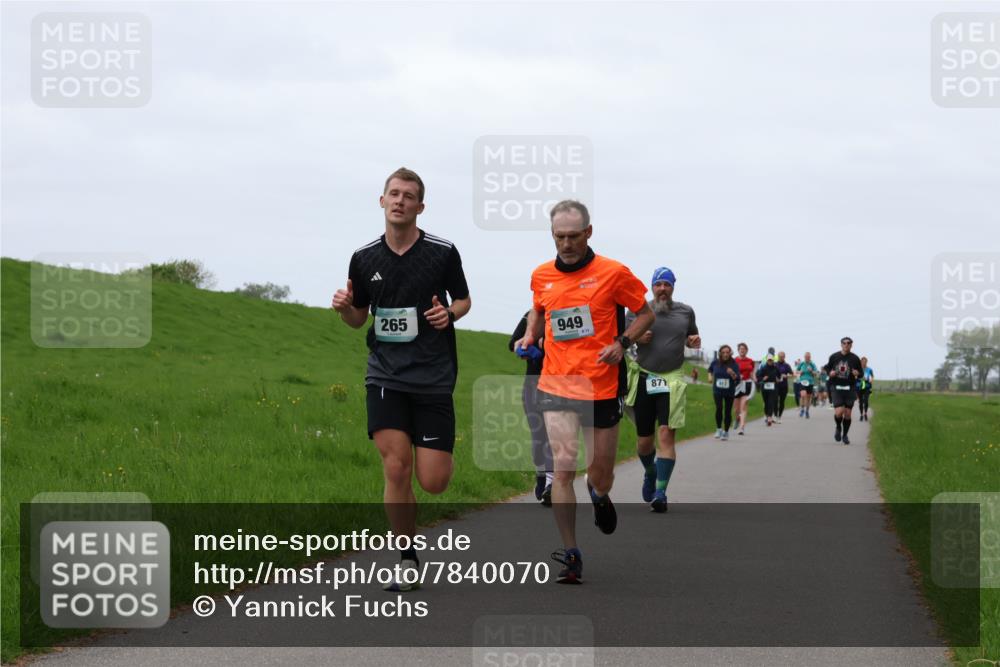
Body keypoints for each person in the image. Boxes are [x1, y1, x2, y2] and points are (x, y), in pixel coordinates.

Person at [332, 167, 471, 592]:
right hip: (385, 374)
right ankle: (405, 559)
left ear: (420, 206)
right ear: (381, 201)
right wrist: (345, 309)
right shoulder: (364, 257)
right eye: (393, 194)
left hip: (432, 376)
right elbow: (359, 318)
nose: (400, 201)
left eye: (409, 196)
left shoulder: (442, 252)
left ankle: (414, 529)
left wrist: (448, 313)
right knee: (396, 467)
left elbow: (464, 300)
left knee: (433, 481)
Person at [514, 200, 653, 584]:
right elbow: (539, 310)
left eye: (574, 236)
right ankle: (571, 553)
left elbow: (646, 314)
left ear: (589, 233)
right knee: (563, 468)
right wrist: (530, 334)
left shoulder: (613, 273)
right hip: (556, 384)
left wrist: (623, 342)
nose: (567, 243)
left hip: (601, 387)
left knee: (600, 472)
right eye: (559, 237)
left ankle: (599, 493)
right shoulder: (542, 274)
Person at [625, 267, 701, 513]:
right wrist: (637, 338)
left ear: (673, 287)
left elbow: (692, 336)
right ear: (652, 287)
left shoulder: (686, 312)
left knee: (666, 434)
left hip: (672, 380)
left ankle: (660, 492)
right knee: (644, 441)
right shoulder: (637, 311)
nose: (662, 289)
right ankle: (650, 472)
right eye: (658, 284)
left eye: (667, 285)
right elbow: (622, 340)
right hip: (645, 377)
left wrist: (694, 341)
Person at [509, 312, 553, 505]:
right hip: (533, 384)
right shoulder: (530, 316)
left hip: (558, 383)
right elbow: (512, 343)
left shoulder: (560, 314)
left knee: (554, 435)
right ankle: (541, 474)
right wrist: (524, 346)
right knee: (538, 437)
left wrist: (544, 349)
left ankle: (551, 484)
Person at [825, 337, 863, 445]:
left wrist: (857, 374)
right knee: (839, 412)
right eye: (844, 343)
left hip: (850, 388)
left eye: (848, 343)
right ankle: (838, 427)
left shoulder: (855, 358)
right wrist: (830, 373)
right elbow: (827, 368)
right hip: (836, 387)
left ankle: (845, 435)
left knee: (847, 414)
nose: (846, 345)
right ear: (841, 344)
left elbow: (861, 373)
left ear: (851, 345)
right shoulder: (834, 356)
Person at [708, 345, 741, 440]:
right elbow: (710, 369)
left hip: (729, 391)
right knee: (719, 408)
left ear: (730, 353)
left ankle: (726, 432)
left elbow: (738, 379)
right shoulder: (715, 362)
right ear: (720, 353)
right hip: (717, 390)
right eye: (723, 352)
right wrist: (710, 376)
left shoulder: (734, 364)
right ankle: (718, 429)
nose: (725, 354)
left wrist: (732, 373)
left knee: (727, 411)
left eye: (727, 352)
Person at [732, 343, 755, 435]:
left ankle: (742, 427)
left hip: (747, 384)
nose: (742, 350)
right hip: (736, 384)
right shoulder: (734, 360)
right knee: (736, 409)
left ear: (746, 350)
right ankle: (737, 418)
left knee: (744, 406)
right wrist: (736, 376)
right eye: (741, 349)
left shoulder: (750, 361)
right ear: (738, 350)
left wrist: (755, 379)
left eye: (744, 349)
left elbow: (752, 372)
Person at [756, 354, 781, 426]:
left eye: (771, 360)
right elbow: (758, 377)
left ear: (773, 360)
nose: (770, 361)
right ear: (767, 360)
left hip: (773, 387)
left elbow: (779, 375)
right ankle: (767, 415)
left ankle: (770, 417)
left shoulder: (776, 368)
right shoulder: (763, 368)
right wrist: (763, 378)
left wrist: (778, 379)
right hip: (765, 387)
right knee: (766, 402)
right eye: (769, 360)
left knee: (771, 402)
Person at [796, 353, 819, 418]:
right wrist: (800, 372)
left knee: (808, 398)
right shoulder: (802, 363)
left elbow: (816, 373)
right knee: (803, 395)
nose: (807, 358)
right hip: (802, 381)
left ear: (810, 357)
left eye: (808, 357)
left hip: (810, 382)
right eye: (806, 357)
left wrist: (811, 371)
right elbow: (796, 371)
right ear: (804, 357)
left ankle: (807, 411)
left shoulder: (812, 364)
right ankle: (802, 409)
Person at [774, 351, 793, 423]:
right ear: (778, 357)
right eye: (780, 356)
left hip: (784, 386)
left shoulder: (787, 365)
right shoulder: (775, 364)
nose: (781, 358)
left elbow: (792, 374)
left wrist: (787, 376)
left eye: (782, 356)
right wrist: (775, 377)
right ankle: (775, 415)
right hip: (776, 385)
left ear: (784, 357)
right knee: (775, 401)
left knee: (782, 401)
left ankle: (779, 416)